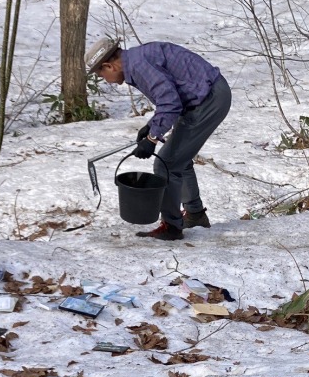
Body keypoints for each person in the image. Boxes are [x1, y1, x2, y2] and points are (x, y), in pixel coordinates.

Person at [85, 36, 232, 241]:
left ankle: (172, 227)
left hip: (208, 99)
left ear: (109, 66)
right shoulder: (137, 60)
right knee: (178, 157)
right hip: (206, 95)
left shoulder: (138, 66)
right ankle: (195, 214)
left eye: (101, 75)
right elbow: (170, 97)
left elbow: (170, 102)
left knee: (167, 164)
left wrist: (152, 138)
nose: (105, 79)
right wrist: (151, 125)